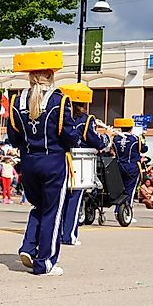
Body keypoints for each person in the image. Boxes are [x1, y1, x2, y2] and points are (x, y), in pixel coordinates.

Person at [8, 51, 79, 276]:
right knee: (53, 212)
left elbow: (14, 138)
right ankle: (45, 262)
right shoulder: (60, 100)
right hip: (53, 162)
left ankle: (29, 247)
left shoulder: (17, 100)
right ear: (50, 75)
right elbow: (69, 136)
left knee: (39, 207)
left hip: (28, 162)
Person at [58, 83, 109, 246]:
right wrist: (107, 137)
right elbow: (95, 140)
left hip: (61, 158)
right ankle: (69, 235)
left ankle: (58, 233)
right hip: (81, 160)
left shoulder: (60, 116)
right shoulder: (87, 120)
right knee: (75, 198)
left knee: (61, 198)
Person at [112, 118, 148, 220]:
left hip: (118, 166)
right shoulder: (136, 138)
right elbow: (144, 149)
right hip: (132, 166)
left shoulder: (115, 138)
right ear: (131, 128)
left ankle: (117, 210)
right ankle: (127, 213)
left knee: (120, 190)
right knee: (130, 191)